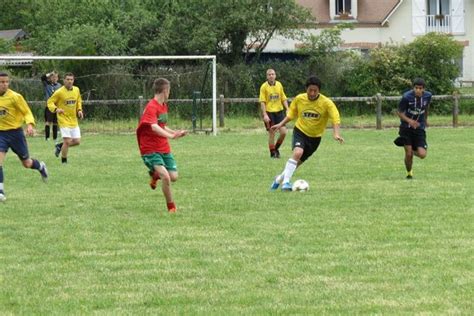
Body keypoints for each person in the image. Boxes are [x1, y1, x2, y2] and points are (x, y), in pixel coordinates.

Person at [270, 76, 344, 191]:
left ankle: (278, 179)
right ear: (306, 89)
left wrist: (336, 134)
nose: (313, 93)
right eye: (310, 90)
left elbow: (335, 118)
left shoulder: (326, 103)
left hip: (315, 139)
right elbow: (291, 115)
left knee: (296, 163)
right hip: (300, 131)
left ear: (319, 91)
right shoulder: (299, 99)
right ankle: (286, 183)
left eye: (315, 91)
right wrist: (280, 124)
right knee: (297, 152)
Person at [136, 78, 188, 213]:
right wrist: (171, 136)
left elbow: (162, 125)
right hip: (150, 149)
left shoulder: (163, 106)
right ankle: (171, 207)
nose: (169, 93)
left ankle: (154, 175)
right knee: (165, 176)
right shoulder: (151, 107)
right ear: (165, 91)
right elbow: (153, 127)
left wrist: (175, 132)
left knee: (173, 176)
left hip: (163, 147)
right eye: (169, 91)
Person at [0, 72, 49, 202]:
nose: (4, 84)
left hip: (16, 133)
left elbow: (26, 112)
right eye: (1, 82)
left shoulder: (15, 97)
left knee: (27, 163)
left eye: (6, 82)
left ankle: (40, 166)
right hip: (1, 134)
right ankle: (0, 191)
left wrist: (30, 125)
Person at [393, 78, 432, 179]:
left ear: (424, 89)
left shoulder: (428, 96)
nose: (418, 90)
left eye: (420, 88)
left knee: (422, 155)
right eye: (416, 88)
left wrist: (426, 119)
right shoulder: (406, 97)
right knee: (408, 154)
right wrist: (409, 121)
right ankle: (409, 173)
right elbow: (399, 112)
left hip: (419, 128)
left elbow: (426, 107)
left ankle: (410, 149)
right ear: (413, 88)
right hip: (406, 128)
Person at [47, 72, 83, 164]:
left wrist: (79, 110)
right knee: (67, 141)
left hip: (73, 119)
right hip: (63, 119)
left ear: (73, 80)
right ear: (64, 80)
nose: (69, 81)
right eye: (68, 79)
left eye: (71, 79)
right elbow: (50, 102)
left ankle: (59, 146)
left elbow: (78, 100)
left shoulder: (76, 90)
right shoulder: (59, 92)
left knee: (77, 141)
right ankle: (64, 161)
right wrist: (56, 109)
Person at [259, 68, 289, 158]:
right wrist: (265, 115)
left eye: (273, 74)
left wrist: (287, 109)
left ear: (275, 75)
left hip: (279, 112)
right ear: (267, 76)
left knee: (283, 132)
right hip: (269, 113)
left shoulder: (279, 85)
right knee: (272, 133)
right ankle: (272, 153)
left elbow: (283, 98)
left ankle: (276, 148)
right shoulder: (264, 87)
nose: (271, 76)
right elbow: (262, 102)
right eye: (269, 74)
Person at [41, 71, 61, 142]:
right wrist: (49, 74)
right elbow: (42, 78)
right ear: (50, 78)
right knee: (48, 122)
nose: (54, 78)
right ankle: (47, 138)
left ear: (58, 78)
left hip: (56, 106)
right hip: (49, 106)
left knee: (55, 122)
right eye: (53, 77)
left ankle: (55, 138)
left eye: (56, 77)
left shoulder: (59, 85)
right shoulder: (47, 84)